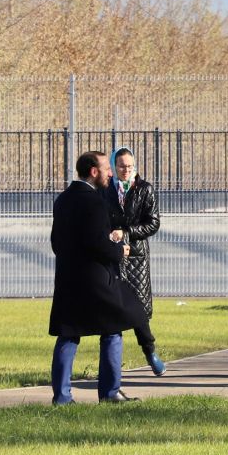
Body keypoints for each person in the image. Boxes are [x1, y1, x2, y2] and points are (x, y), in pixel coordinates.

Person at [49, 150, 145, 404]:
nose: (110, 174)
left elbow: (56, 242)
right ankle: (110, 392)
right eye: (106, 169)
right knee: (113, 329)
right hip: (96, 280)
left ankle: (62, 396)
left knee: (69, 334)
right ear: (94, 171)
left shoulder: (63, 199)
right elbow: (97, 244)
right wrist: (119, 250)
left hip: (68, 278)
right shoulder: (95, 201)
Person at [110, 147, 166, 377]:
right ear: (114, 166)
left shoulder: (144, 189)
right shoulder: (105, 189)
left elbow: (153, 223)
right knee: (112, 310)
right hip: (111, 253)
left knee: (139, 309)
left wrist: (127, 233)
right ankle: (112, 365)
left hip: (136, 256)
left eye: (129, 166)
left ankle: (150, 352)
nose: (126, 170)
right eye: (121, 166)